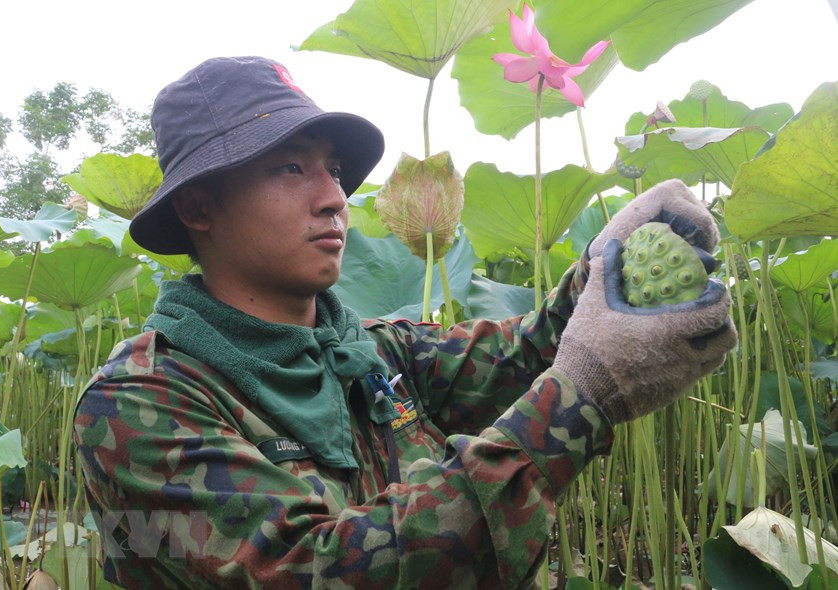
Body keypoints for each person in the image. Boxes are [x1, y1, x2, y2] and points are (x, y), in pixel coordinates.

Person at [73, 56, 737, 589]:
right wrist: (580, 396)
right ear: (197, 207)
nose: (334, 196)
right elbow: (315, 571)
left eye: (333, 169)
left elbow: (531, 353)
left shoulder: (372, 350)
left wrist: (602, 271)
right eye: (291, 167)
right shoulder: (142, 401)